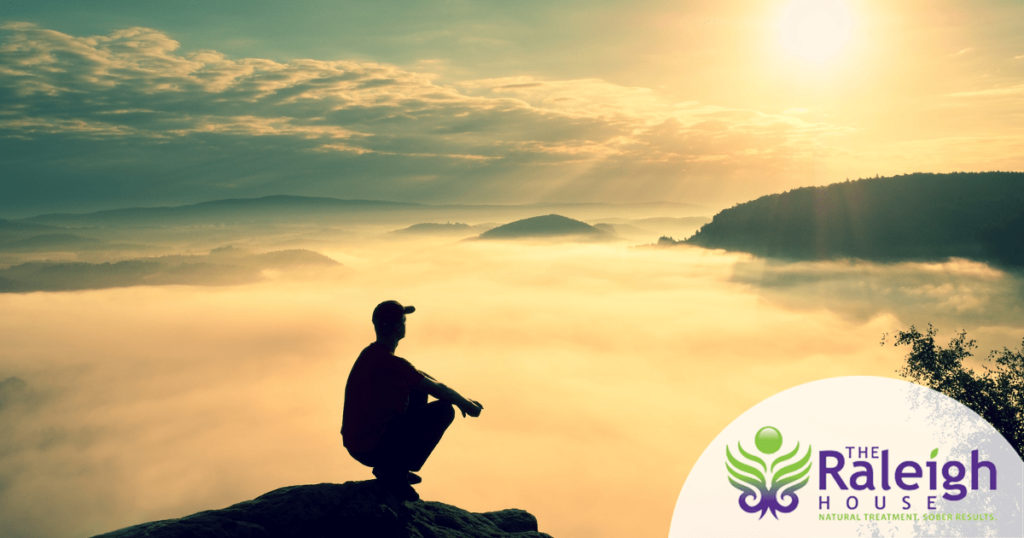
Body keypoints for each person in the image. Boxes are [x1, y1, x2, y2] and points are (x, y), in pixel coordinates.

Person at [341, 300, 483, 501]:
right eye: (404, 321)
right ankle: (394, 473)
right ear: (398, 327)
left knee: (417, 390)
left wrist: (461, 398)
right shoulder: (392, 363)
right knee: (444, 410)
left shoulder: (371, 355)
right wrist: (466, 405)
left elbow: (420, 377)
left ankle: (392, 467)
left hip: (358, 443)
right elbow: (437, 389)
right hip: (372, 448)